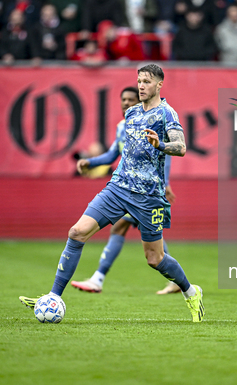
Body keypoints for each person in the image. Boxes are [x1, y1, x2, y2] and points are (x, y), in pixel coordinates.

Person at [19, 64, 204, 322]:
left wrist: (160, 144)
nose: (141, 86)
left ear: (160, 84)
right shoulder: (131, 114)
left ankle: (190, 291)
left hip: (148, 196)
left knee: (155, 258)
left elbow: (181, 147)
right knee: (77, 232)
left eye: (147, 82)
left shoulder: (167, 114)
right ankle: (54, 296)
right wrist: (95, 163)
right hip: (118, 188)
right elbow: (119, 153)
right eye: (139, 81)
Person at [70, 86, 181, 295]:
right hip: (128, 188)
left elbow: (164, 154)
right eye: (124, 99)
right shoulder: (123, 126)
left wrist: (164, 184)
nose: (127, 103)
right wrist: (90, 162)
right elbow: (112, 155)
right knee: (150, 240)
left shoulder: (150, 122)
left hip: (146, 191)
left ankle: (98, 278)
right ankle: (176, 280)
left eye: (131, 99)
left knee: (121, 228)